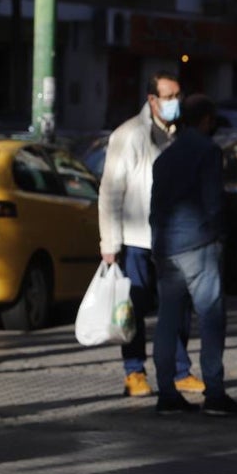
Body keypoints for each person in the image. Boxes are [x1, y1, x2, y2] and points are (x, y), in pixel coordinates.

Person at [99, 70, 203, 398]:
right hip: (135, 239)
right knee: (133, 309)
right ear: (152, 99)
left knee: (177, 307)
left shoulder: (181, 133)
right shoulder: (129, 135)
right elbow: (110, 192)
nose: (176, 102)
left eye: (178, 96)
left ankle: (179, 370)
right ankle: (134, 372)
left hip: (173, 238)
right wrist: (110, 244)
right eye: (169, 97)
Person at [149, 94, 237, 416]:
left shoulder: (164, 158)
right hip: (198, 246)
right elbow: (212, 201)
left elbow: (155, 207)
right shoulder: (208, 152)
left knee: (167, 321)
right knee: (210, 319)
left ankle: (166, 393)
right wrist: (221, 233)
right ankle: (215, 393)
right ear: (206, 119)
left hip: (166, 247)